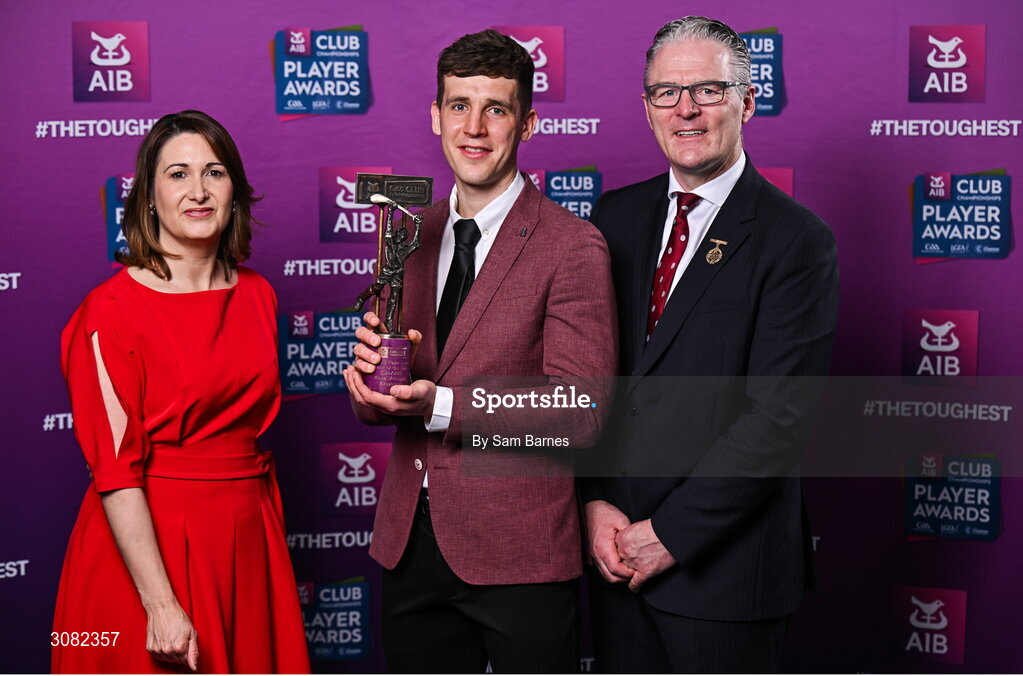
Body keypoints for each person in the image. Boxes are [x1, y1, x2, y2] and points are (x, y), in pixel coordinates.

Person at [343, 30, 617, 673]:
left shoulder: (572, 245)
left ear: (527, 123)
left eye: (495, 108)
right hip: (410, 548)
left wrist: (440, 405)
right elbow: (383, 403)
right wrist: (368, 390)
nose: (474, 126)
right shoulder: (408, 234)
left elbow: (581, 411)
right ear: (436, 115)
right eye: (459, 105)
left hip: (519, 554)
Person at [581, 17, 839, 673]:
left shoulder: (795, 240)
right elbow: (591, 379)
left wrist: (667, 536)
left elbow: (777, 421)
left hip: (724, 579)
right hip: (614, 559)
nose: (685, 109)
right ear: (646, 108)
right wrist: (592, 502)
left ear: (747, 102)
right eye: (666, 92)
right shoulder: (614, 217)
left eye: (707, 90)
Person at [52, 110, 309, 674]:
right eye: (177, 174)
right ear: (148, 196)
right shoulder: (111, 311)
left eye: (214, 173)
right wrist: (161, 604)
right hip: (150, 551)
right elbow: (115, 472)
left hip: (247, 539)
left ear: (234, 192)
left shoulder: (258, 295)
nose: (198, 191)